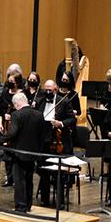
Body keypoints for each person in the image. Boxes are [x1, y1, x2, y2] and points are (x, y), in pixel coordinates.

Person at [0, 92, 45, 213]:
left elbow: (12, 133)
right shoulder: (39, 114)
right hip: (33, 153)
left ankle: (21, 207)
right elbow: (42, 135)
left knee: (19, 180)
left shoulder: (16, 114)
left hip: (19, 153)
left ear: (16, 104)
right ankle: (28, 204)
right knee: (29, 179)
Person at [35, 80, 76, 209]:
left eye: (50, 91)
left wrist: (61, 124)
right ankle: (44, 200)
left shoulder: (64, 102)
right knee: (44, 172)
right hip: (44, 143)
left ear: (55, 89)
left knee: (59, 174)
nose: (48, 93)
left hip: (59, 143)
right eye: (45, 90)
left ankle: (60, 202)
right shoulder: (40, 101)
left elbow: (72, 119)